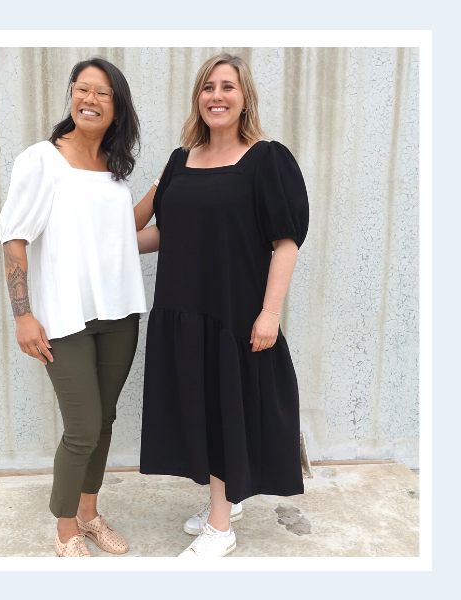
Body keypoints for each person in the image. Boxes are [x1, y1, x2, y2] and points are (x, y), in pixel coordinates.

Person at [134, 53, 309, 558]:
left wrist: (270, 313)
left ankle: (220, 527)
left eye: (228, 86)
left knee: (220, 409)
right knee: (198, 407)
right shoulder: (179, 162)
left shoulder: (266, 159)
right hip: (182, 310)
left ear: (244, 97)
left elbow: (285, 241)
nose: (217, 95)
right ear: (198, 98)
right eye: (208, 86)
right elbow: (159, 231)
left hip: (231, 312)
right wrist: (95, 234)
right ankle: (226, 502)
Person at [0, 58, 147, 558]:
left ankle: (89, 513)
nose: (90, 99)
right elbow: (14, 237)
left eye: (103, 93)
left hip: (119, 313)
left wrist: (160, 191)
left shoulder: (112, 168)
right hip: (64, 317)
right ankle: (64, 530)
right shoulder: (42, 160)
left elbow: (117, 231)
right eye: (83, 89)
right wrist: (23, 315)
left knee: (103, 422)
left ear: (117, 107)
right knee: (82, 428)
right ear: (71, 97)